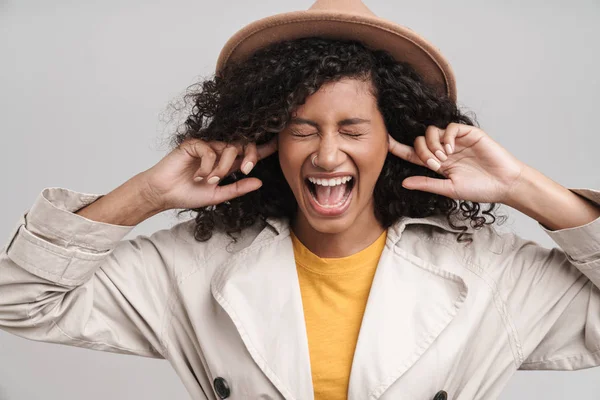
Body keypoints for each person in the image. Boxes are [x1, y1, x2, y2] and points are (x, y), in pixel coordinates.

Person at [1, 0, 599, 399]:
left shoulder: (490, 273)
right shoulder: (193, 266)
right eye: (302, 128)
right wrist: (149, 194)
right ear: (268, 138)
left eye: (354, 130)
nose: (328, 156)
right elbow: (20, 299)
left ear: (393, 140)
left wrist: (521, 186)